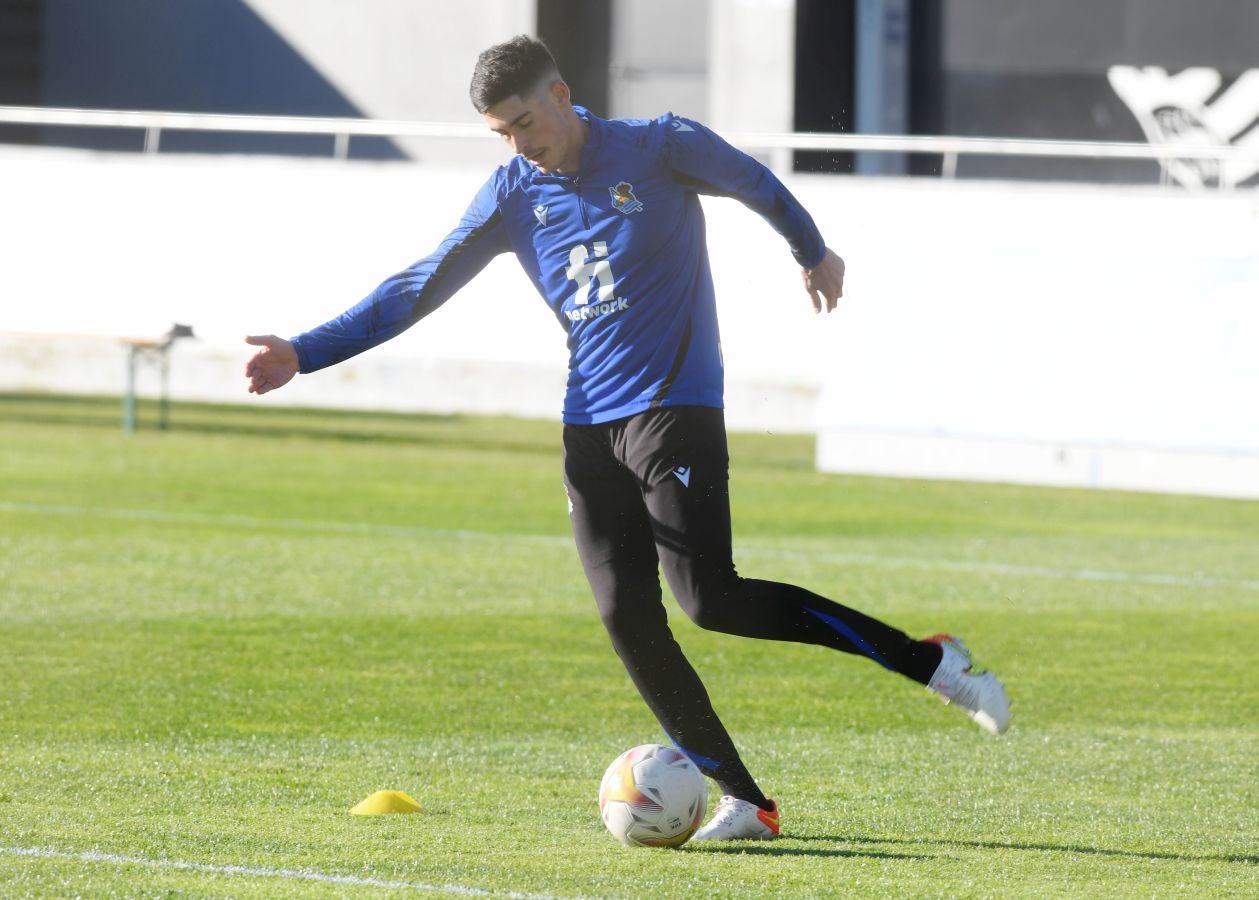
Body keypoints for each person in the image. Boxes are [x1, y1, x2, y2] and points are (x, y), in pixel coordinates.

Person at [244, 35, 1010, 841]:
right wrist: (307, 350)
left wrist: (811, 250)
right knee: (626, 619)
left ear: (561, 93)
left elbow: (755, 183)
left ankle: (930, 662)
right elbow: (418, 286)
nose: (517, 143)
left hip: (674, 407)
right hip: (587, 429)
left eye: (522, 121)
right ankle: (745, 800)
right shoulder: (509, 193)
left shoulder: (659, 145)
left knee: (709, 599)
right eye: (499, 132)